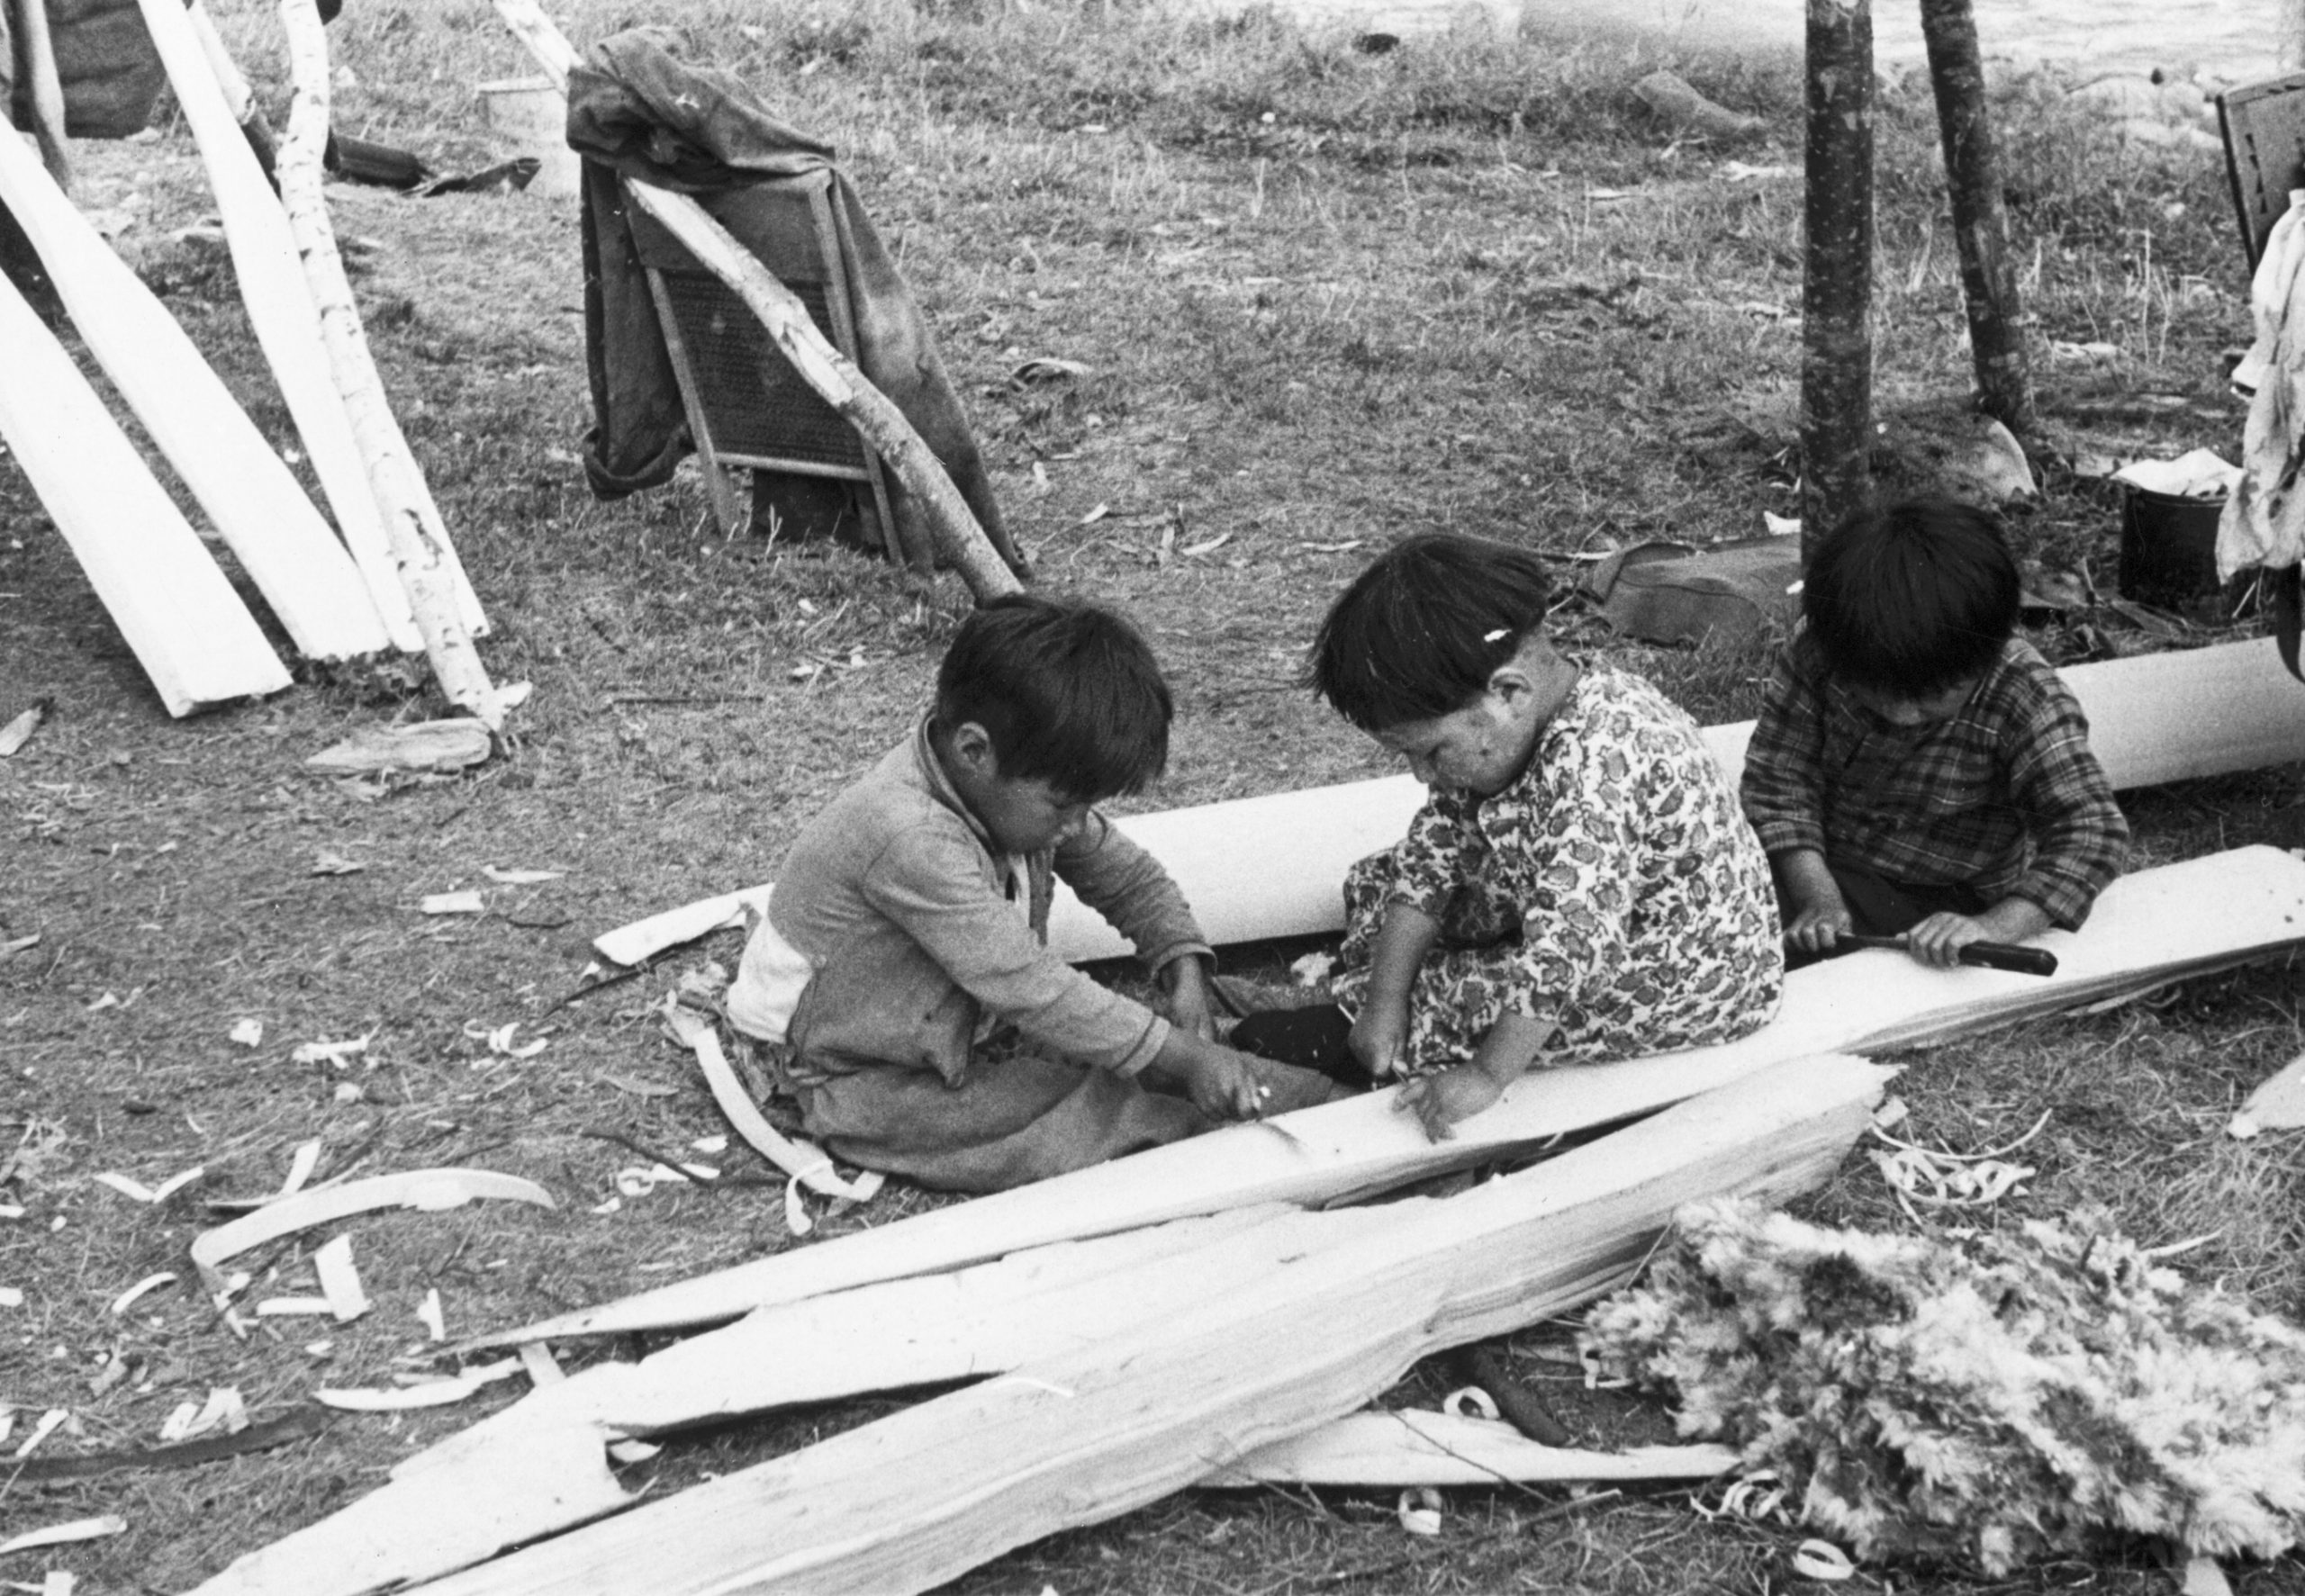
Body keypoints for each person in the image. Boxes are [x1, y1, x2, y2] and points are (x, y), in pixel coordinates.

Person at [723, 593, 1339, 1194]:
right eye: (1066, 805)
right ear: (973, 751)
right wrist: (1178, 1058)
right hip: (853, 1079)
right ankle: (1327, 1116)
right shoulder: (908, 834)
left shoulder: (1012, 786)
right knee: (1095, 1113)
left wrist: (1183, 964)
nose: (1077, 825)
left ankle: (1314, 1082)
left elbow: (1126, 876)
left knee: (1172, 1040)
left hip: (959, 1032)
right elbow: (1029, 984)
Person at [1233, 533, 1784, 1141]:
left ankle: (1341, 1032)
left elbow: (1564, 958)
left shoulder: (1597, 767)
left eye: (1431, 751)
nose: (1422, 773)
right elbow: (1429, 858)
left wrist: (1487, 1075)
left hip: (1689, 966)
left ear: (1509, 693)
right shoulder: (1514, 726)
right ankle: (1366, 999)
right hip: (1589, 905)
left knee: (1465, 999)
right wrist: (1385, 998)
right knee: (1383, 883)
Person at [1740, 497, 2128, 969]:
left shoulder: (2026, 696)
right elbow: (1780, 779)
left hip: (1939, 893)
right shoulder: (1819, 646)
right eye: (1878, 692)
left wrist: (1993, 927)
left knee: (1747, 945)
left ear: (1984, 656)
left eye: (1932, 697)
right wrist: (1819, 898)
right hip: (1820, 862)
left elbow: (2092, 833)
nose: (1903, 715)